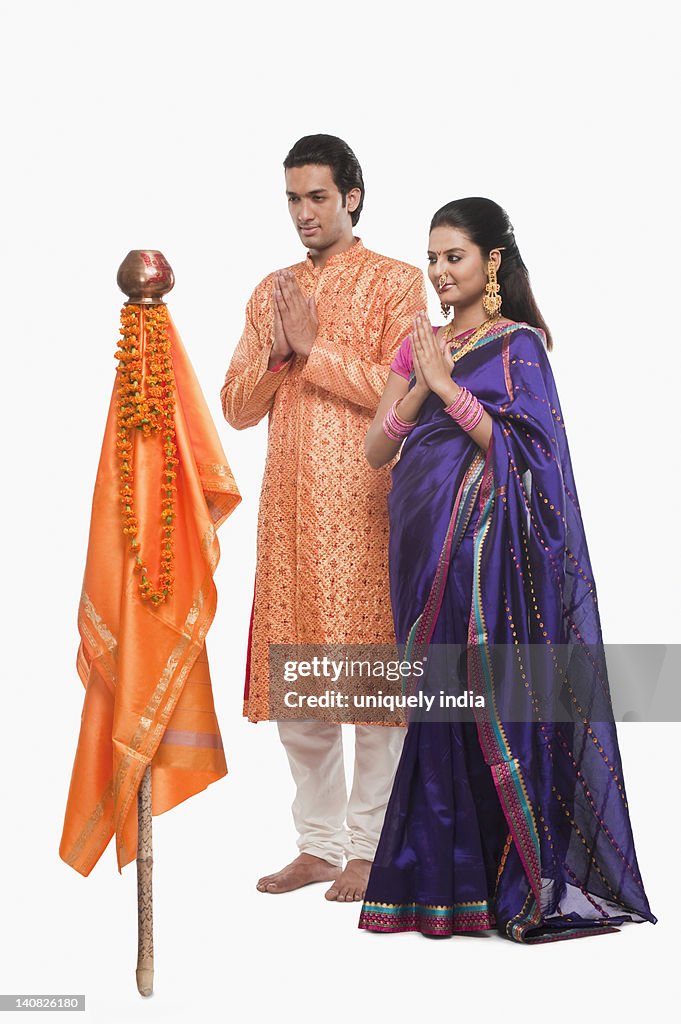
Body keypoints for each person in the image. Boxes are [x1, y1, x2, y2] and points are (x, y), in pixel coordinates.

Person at [359, 197, 656, 942]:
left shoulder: (516, 345)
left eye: (452, 257)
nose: (438, 272)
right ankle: (437, 885)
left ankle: (495, 878)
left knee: (481, 701)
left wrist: (450, 388)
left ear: (491, 262)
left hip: (484, 560)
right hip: (420, 548)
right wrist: (424, 380)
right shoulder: (416, 345)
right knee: (433, 708)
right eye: (430, 258)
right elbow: (374, 450)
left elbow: (525, 456)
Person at [220, 135, 427, 901]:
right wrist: (278, 357)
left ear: (352, 197)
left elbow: (404, 392)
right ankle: (318, 845)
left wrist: (312, 351)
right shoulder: (270, 289)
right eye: (291, 199)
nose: (302, 213)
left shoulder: (397, 284)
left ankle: (370, 849)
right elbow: (236, 408)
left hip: (371, 506)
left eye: (316, 197)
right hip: (289, 519)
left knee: (372, 689)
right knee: (300, 689)